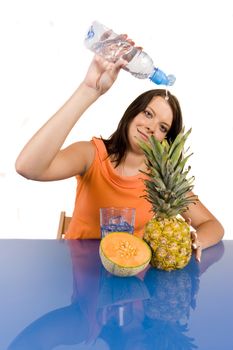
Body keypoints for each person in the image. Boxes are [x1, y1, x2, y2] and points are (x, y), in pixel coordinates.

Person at [15, 54, 224, 261]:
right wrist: (88, 91)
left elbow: (214, 226)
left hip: (134, 282)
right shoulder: (91, 154)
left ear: (165, 141)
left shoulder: (163, 182)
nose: (151, 127)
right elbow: (27, 167)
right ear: (132, 114)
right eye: (148, 114)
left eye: (162, 127)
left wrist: (194, 241)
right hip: (83, 277)